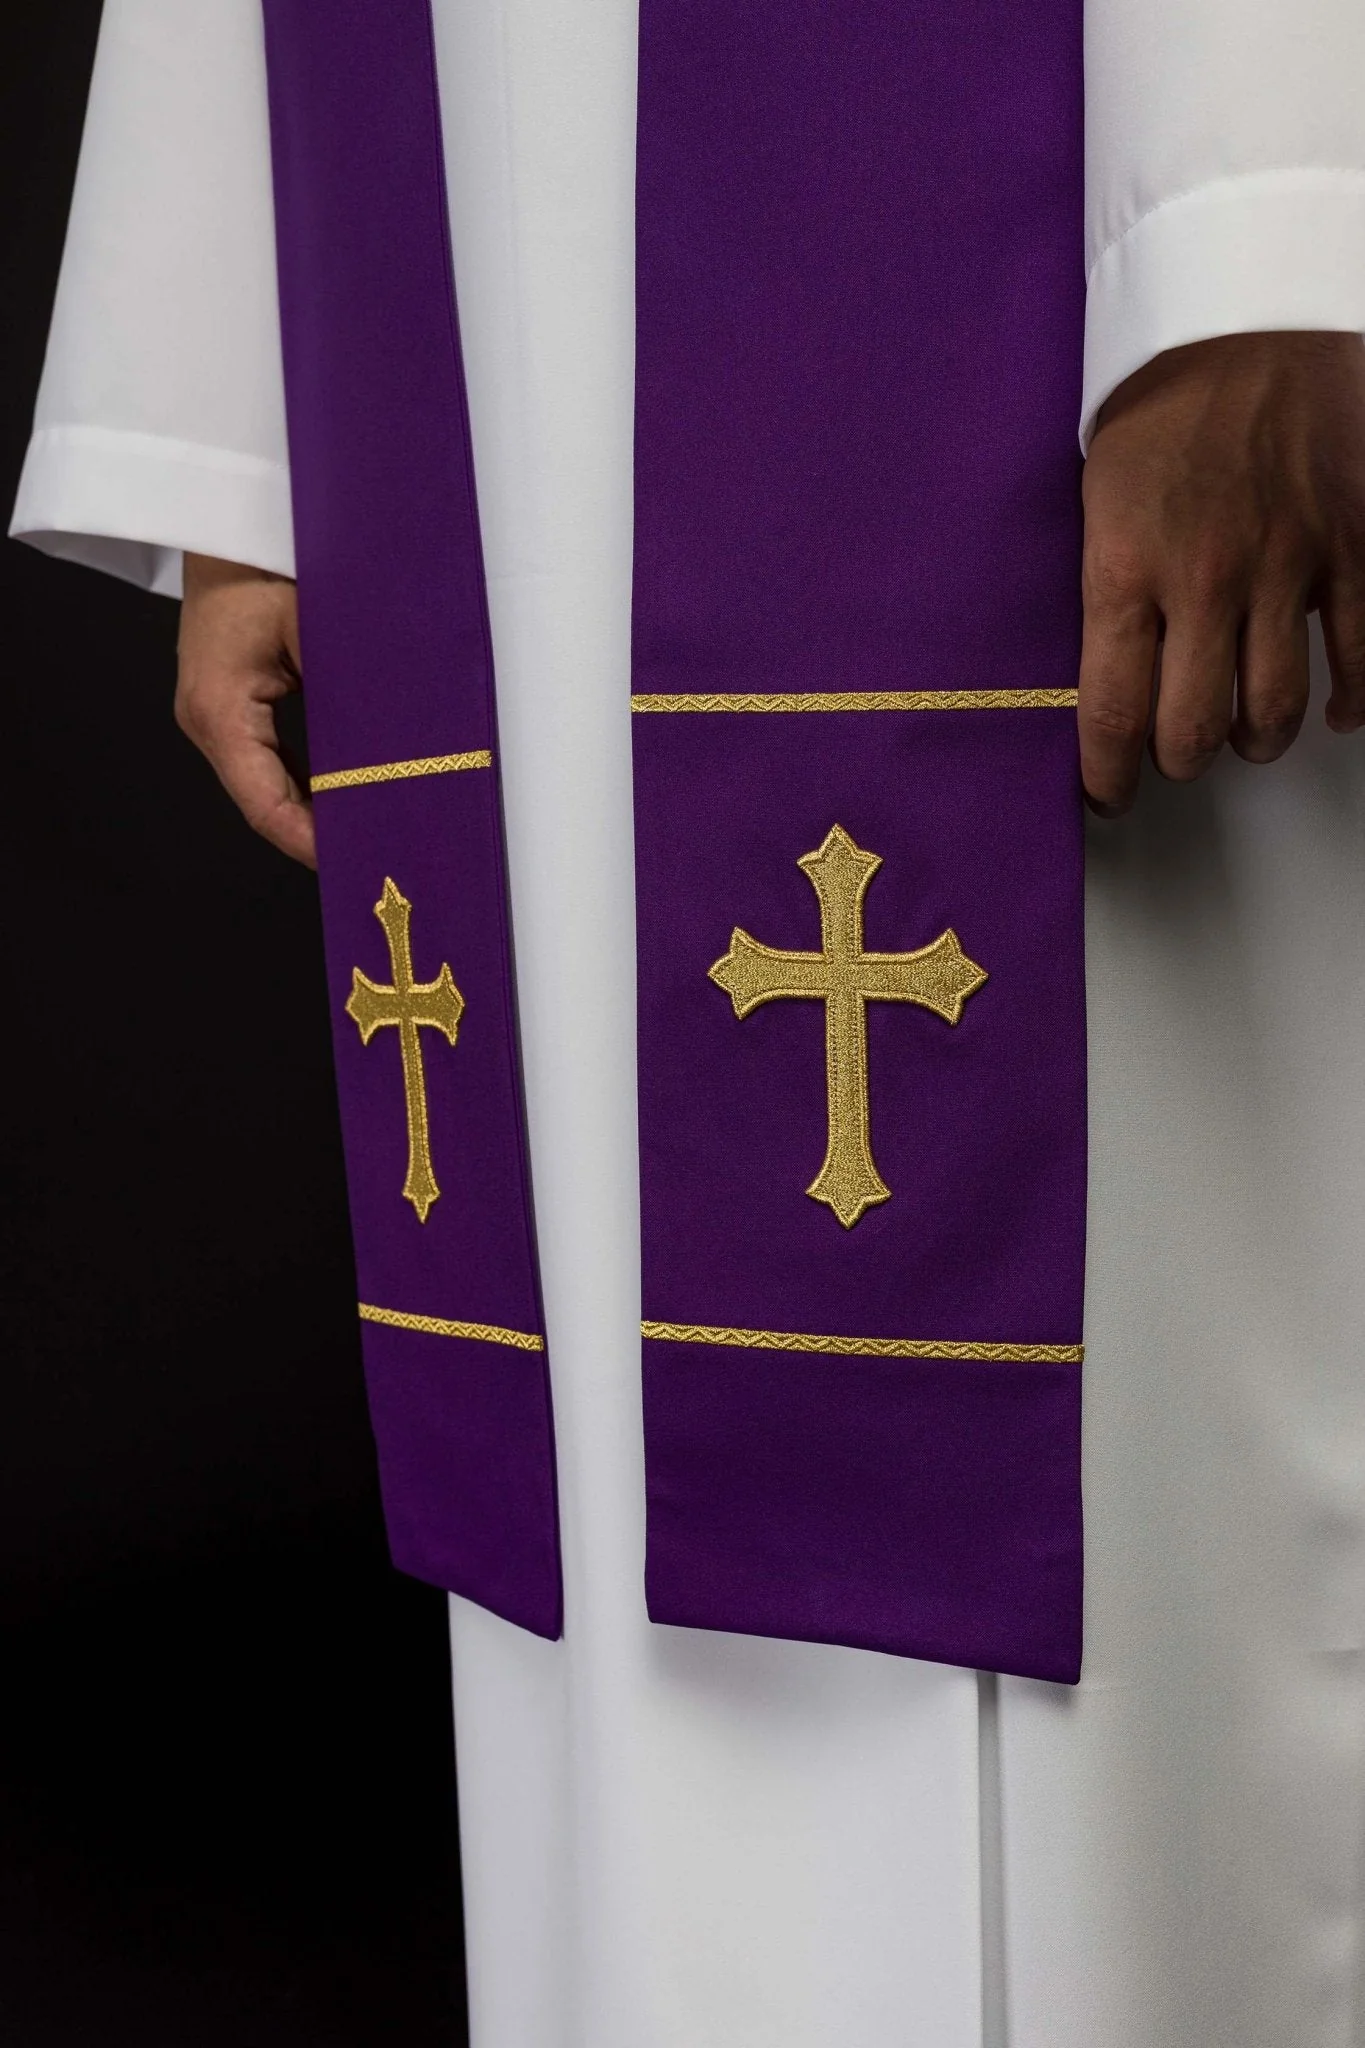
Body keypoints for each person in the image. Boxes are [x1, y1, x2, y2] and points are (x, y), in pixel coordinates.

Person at [12, 0, 1365, 2042]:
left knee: (1132, 1456)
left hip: (1055, 215)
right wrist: (254, 388)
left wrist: (1261, 227)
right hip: (485, 195)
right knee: (608, 1480)